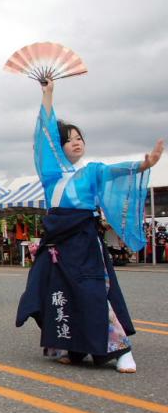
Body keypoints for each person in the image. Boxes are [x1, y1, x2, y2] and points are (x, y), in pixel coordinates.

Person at [16, 79, 163, 373]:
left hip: (83, 239)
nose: (77, 140)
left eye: (80, 137)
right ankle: (72, 345)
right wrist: (48, 93)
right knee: (43, 290)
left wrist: (142, 165)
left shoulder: (92, 171)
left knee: (92, 291)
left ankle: (120, 349)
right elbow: (44, 132)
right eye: (69, 138)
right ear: (58, 146)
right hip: (56, 241)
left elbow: (113, 171)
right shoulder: (50, 171)